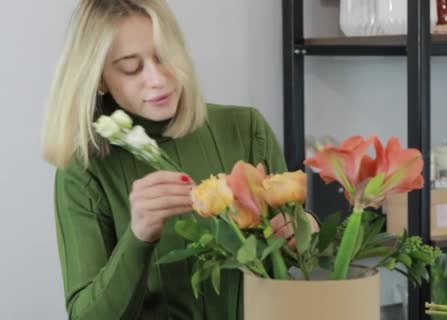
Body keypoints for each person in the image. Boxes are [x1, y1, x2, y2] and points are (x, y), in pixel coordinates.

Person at [41, 1, 317, 319]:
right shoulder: (85, 171)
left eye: (165, 56)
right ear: (99, 78)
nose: (157, 79)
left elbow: (294, 265)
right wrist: (138, 237)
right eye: (131, 67)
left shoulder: (246, 130)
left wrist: (308, 230)